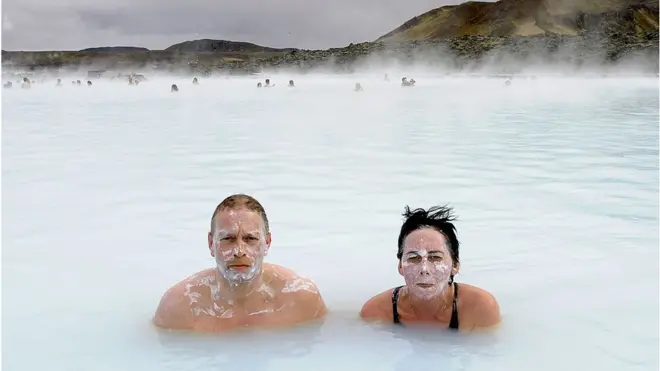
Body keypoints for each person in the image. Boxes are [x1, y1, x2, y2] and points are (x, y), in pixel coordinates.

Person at [153, 194, 327, 332]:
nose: (239, 251)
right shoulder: (179, 308)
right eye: (228, 239)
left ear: (267, 243)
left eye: (250, 238)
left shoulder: (300, 299)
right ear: (211, 244)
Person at [360, 205, 500, 331]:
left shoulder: (479, 308)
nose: (424, 269)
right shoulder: (377, 312)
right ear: (400, 266)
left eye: (435, 257)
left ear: (455, 266)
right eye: (414, 258)